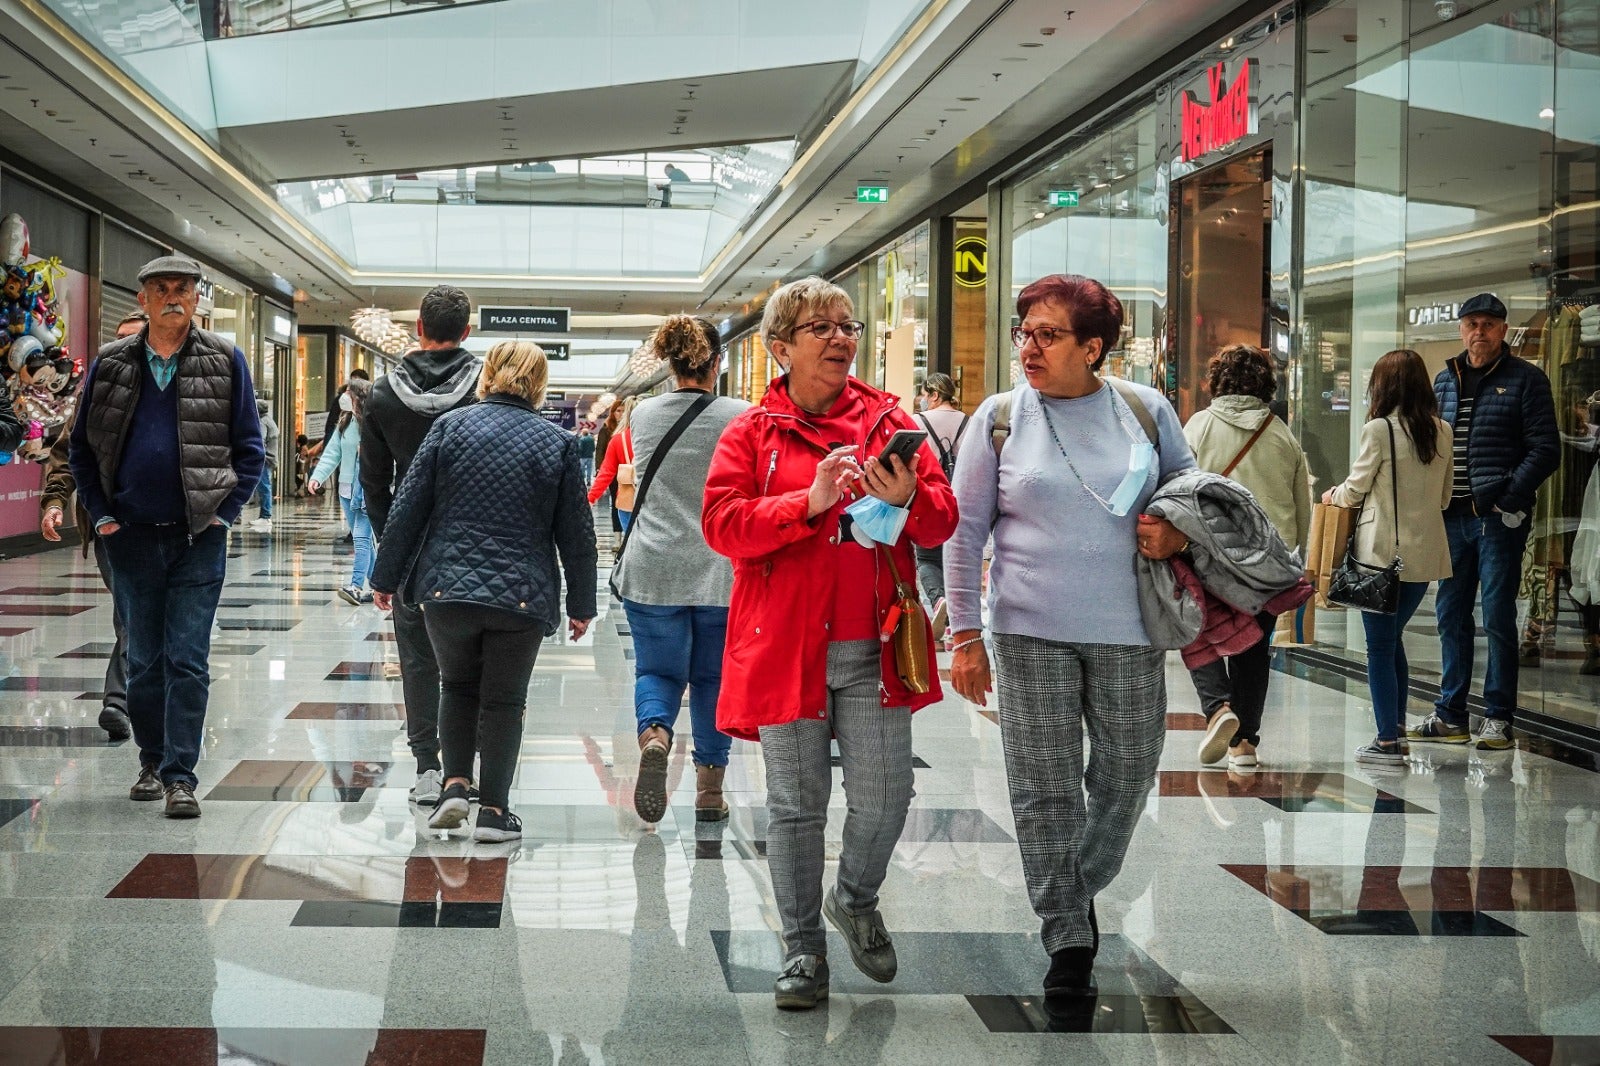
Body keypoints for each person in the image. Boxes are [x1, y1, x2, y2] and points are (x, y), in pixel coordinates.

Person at [703, 276, 958, 1010]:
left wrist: (909, 497)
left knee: (885, 798)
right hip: (785, 647)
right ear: (780, 347)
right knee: (796, 805)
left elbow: (942, 522)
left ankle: (853, 897)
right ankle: (801, 952)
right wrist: (807, 502)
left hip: (877, 649)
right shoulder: (751, 432)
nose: (842, 338)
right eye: (821, 327)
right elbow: (723, 525)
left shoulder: (888, 422)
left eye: (847, 325)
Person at [944, 273, 1194, 1004]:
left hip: (1130, 629)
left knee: (1126, 776)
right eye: (1023, 331)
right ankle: (1068, 937)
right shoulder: (997, 420)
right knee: (1044, 789)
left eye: (1047, 334)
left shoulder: (1145, 413)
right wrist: (965, 635)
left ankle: (1070, 883)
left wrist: (1176, 527)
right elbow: (964, 534)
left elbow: (1191, 493)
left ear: (1094, 348)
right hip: (1028, 630)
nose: (1028, 346)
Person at [370, 341, 597, 844]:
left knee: (456, 686)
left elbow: (408, 507)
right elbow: (576, 534)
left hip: (447, 589)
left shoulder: (449, 427)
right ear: (538, 383)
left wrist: (385, 577)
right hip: (522, 596)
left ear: (488, 374)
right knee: (504, 701)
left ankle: (454, 785)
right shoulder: (555, 442)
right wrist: (582, 604)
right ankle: (493, 812)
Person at [68, 254, 264, 819]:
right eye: (161, 288)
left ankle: (181, 775)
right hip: (128, 536)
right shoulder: (110, 363)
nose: (174, 297)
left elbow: (249, 449)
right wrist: (101, 515)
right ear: (143, 299)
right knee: (145, 660)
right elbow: (82, 446)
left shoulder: (226, 360)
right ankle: (150, 762)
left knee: (189, 659)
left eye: (184, 289)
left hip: (197, 536)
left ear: (198, 299)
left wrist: (224, 514)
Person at [611, 316, 749, 825]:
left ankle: (655, 736)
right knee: (714, 678)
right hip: (722, 570)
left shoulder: (642, 415)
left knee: (657, 671)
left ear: (669, 365)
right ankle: (710, 791)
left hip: (652, 569)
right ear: (718, 363)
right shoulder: (743, 416)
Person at [1413, 293, 1560, 751]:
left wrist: (1508, 496)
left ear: (1502, 330)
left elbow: (1546, 449)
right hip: (1451, 518)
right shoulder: (1444, 380)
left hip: (1498, 521)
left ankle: (1498, 716)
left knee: (1497, 617)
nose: (1479, 331)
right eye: (1472, 323)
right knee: (1449, 615)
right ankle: (1450, 714)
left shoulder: (1527, 380)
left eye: (1489, 324)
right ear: (1461, 329)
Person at [360, 284, 482, 806]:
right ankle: (463, 770)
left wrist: (394, 542)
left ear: (418, 329)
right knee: (471, 658)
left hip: (412, 547)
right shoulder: (486, 387)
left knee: (416, 658)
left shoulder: (382, 394)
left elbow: (372, 482)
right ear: (467, 331)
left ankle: (427, 767)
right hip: (476, 543)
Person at [1180, 344, 1311, 769]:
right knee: (1254, 648)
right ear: (1266, 385)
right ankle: (1245, 746)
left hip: (1210, 555)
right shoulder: (1281, 434)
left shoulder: (1198, 426)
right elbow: (1301, 504)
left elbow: (1178, 488)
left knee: (1197, 632)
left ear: (1216, 382)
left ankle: (1219, 707)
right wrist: (1295, 557)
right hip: (1268, 562)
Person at [1324, 350, 1453, 766]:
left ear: (1382, 387)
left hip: (1382, 554)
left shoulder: (1379, 429)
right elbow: (1447, 497)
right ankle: (1395, 729)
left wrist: (1331, 496)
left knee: (1378, 646)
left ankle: (1386, 743)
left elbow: (1355, 489)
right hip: (1425, 553)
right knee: (1391, 639)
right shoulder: (1443, 431)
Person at [40, 311, 141, 741]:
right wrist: (55, 501)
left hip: (168, 525)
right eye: (117, 341)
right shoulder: (97, 390)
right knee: (130, 610)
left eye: (133, 340)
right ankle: (118, 701)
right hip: (108, 524)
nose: (123, 350)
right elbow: (67, 450)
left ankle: (134, 697)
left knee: (149, 615)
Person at [309, 379, 375, 605]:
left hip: (367, 489)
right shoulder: (345, 421)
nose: (344, 396)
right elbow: (332, 452)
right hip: (346, 489)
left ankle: (356, 586)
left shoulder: (373, 422)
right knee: (363, 539)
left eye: (349, 392)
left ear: (359, 397)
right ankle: (376, 587)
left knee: (361, 537)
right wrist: (317, 476)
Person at [914, 372, 968, 635]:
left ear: (934, 395)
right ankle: (960, 616)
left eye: (925, 395)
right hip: (962, 500)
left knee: (926, 558)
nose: (924, 401)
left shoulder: (918, 422)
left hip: (931, 499)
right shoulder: (970, 422)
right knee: (956, 558)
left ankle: (938, 601)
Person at [589, 397, 637, 531]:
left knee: (630, 542)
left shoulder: (618, 440)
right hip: (655, 502)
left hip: (629, 498)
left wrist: (591, 498)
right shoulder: (656, 437)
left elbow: (606, 472)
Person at [250, 397, 279, 532]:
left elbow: (259, 440)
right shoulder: (270, 420)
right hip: (269, 458)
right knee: (265, 486)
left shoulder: (262, 422)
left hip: (264, 459)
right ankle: (265, 515)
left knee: (264, 487)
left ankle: (265, 516)